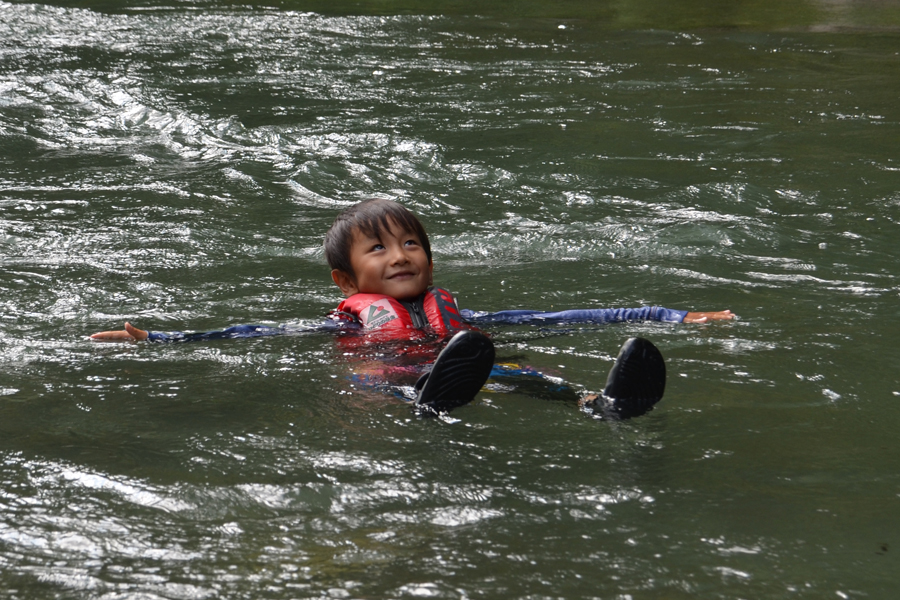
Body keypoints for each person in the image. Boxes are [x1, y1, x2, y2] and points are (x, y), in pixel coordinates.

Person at [92, 198, 734, 417]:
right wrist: (157, 339)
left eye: (410, 243)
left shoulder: (453, 311)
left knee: (516, 372)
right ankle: (427, 401)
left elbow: (565, 317)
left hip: (464, 362)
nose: (400, 255)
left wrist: (671, 316)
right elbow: (249, 333)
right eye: (379, 248)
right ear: (348, 281)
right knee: (390, 385)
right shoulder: (340, 318)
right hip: (388, 377)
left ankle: (603, 405)